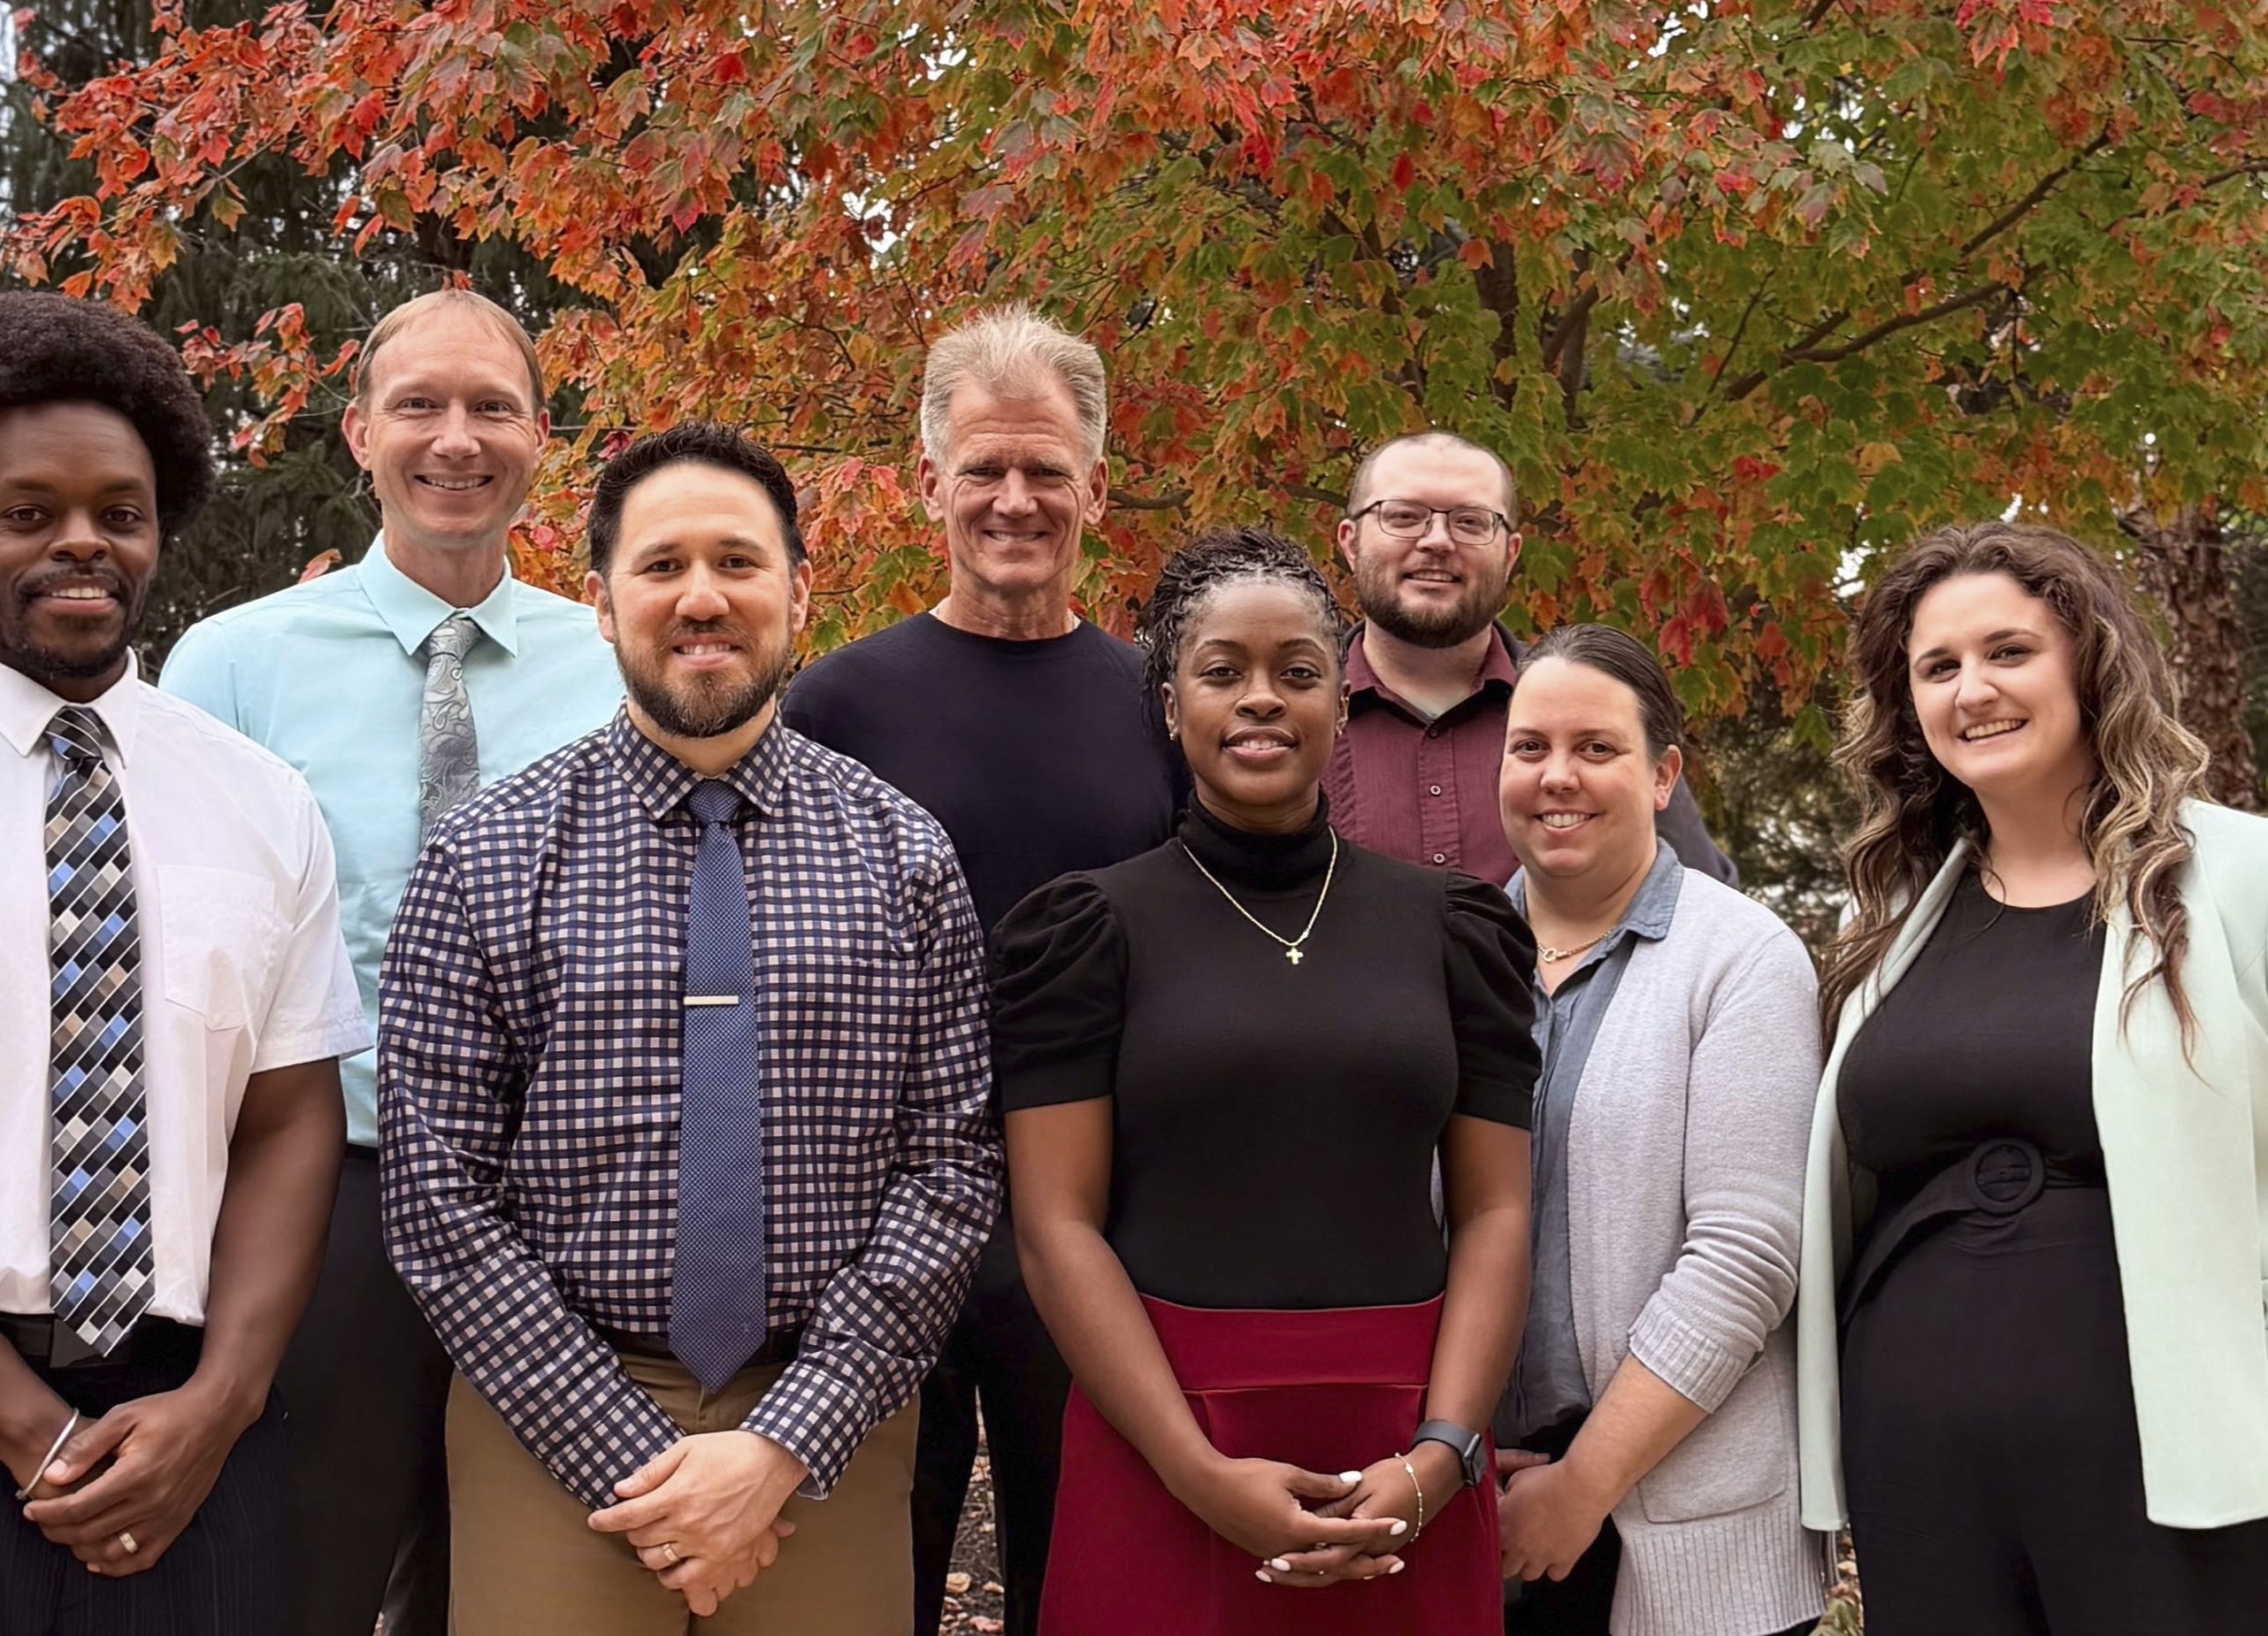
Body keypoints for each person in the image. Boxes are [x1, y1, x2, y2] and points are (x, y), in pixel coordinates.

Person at [377, 421, 1001, 1636]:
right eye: (662, 567)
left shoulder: (903, 853)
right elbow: (436, 1192)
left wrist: (781, 1445)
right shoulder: (487, 856)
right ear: (602, 604)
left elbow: (949, 1169)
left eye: (738, 562)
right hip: (549, 1411)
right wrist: (628, 1458)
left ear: (798, 594)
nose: (701, 597)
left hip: (830, 1414)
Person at [0, 291, 368, 1633]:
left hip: (191, 1437)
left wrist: (220, 1404)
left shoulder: (262, 800)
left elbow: (293, 1121)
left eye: (120, 511)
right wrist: (31, 1436)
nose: (83, 540)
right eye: (29, 512)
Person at [160, 287, 624, 1636]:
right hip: (326, 1196)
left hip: (553, 1207)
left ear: (544, 436)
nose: (455, 439)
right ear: (360, 432)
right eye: (419, 405)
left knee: (511, 1586)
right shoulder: (232, 670)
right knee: (301, 1573)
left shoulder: (615, 667)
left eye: (491, 407)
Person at [999, 526, 1538, 1634]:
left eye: (1297, 672)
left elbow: (1495, 1208)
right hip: (1162, 1433)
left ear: (1339, 706)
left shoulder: (1454, 929)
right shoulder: (1085, 929)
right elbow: (1056, 1225)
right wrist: (1195, 1471)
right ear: (1168, 705)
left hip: (1402, 1452)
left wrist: (1441, 1456)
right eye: (1221, 671)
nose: (1260, 698)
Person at [781, 304, 1177, 1636]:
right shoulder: (833, 706)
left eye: (1046, 471)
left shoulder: (1160, 710)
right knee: (863, 1581)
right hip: (874, 1220)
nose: (1014, 500)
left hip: (1099, 1223)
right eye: (985, 469)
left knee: (1083, 1581)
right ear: (928, 483)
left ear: (1096, 490)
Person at [1797, 522, 2268, 1634]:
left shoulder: (2241, 875)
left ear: (2088, 661)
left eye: (2009, 651)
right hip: (1917, 1458)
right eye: (1938, 666)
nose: (1974, 690)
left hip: (2171, 1463)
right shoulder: (1890, 925)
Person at [1493, 624, 1825, 1636]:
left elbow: (1746, 1255)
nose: (1558, 777)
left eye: (1596, 748)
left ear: (1662, 774)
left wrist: (1583, 1481)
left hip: (1679, 1523)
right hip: (1478, 1499)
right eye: (1529, 747)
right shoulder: (1457, 954)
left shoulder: (1742, 958)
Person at [1323, 430, 1733, 885]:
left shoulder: (1603, 708)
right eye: (1403, 516)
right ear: (1350, 541)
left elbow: (1705, 914)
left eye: (1471, 522)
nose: (1437, 540)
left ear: (1511, 553)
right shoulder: (1289, 718)